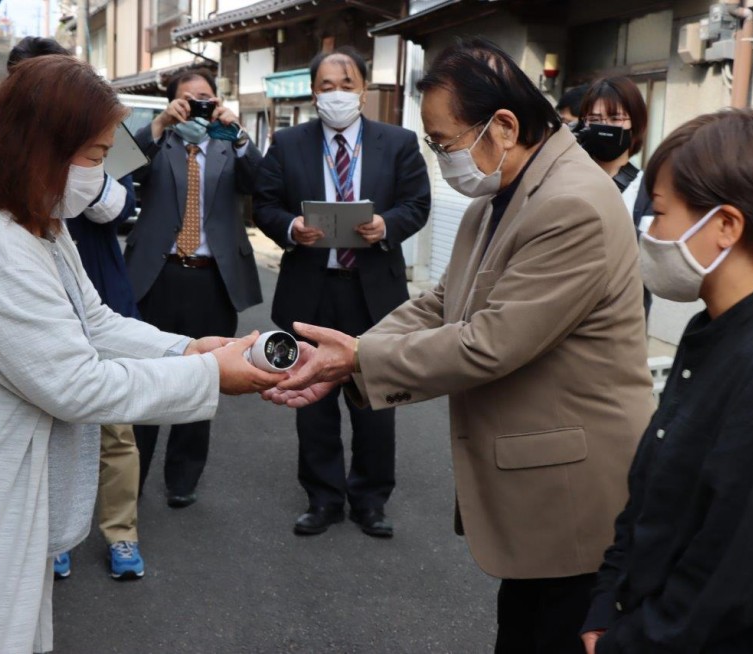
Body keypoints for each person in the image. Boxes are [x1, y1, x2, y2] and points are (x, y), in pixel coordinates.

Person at [0, 54, 283, 654]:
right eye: (94, 156)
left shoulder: (37, 216)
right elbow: (77, 384)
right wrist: (207, 374)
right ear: (39, 147)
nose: (101, 172)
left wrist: (187, 346)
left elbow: (92, 321)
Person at [263, 38, 653, 653]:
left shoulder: (571, 203)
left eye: (445, 143)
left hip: (574, 492)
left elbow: (489, 342)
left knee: (550, 633)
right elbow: (442, 303)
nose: (443, 158)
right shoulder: (500, 194)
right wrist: (351, 352)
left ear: (503, 126)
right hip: (539, 487)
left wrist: (359, 358)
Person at [580, 109, 753, 654]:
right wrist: (606, 600)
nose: (648, 232)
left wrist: (628, 642)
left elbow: (734, 565)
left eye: (658, 212)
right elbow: (654, 495)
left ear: (725, 226)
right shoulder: (715, 331)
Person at [252, 46, 430, 538]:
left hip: (373, 292)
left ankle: (370, 500)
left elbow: (418, 204)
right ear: (313, 93)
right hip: (311, 289)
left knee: (375, 398)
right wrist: (289, 227)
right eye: (326, 86)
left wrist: (386, 225)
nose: (337, 95)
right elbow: (263, 205)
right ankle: (323, 498)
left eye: (346, 85)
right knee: (310, 397)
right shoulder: (287, 144)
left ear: (364, 91)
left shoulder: (398, 142)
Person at [7, 35, 145, 582]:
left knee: (116, 430)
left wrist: (89, 172)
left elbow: (124, 206)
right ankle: (53, 532)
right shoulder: (2, 172)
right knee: (48, 422)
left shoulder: (103, 133)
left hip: (101, 289)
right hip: (40, 305)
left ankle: (122, 532)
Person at [126, 69, 263, 509]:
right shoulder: (157, 141)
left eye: (205, 97)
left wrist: (239, 132)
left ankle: (184, 478)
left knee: (204, 377)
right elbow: (114, 167)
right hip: (157, 275)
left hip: (212, 278)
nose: (197, 105)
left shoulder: (228, 145)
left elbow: (265, 184)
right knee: (148, 376)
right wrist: (161, 123)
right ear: (172, 102)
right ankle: (133, 474)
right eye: (187, 98)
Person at [577, 76, 654, 317]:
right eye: (595, 120)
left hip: (621, 318)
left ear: (636, 123)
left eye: (616, 118)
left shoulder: (648, 190)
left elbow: (650, 262)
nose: (605, 126)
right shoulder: (565, 180)